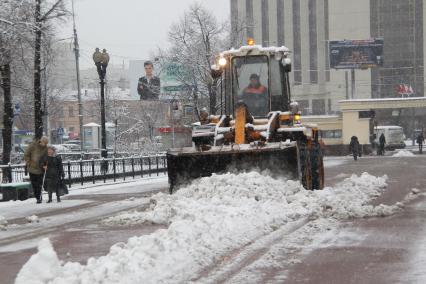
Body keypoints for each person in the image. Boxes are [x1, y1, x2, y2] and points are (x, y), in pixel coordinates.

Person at [24, 136, 48, 204]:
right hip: (32, 169)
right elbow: (26, 154)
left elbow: (46, 157)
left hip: (40, 168)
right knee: (35, 184)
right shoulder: (33, 145)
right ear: (41, 141)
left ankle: (39, 197)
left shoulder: (45, 148)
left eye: (46, 143)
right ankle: (37, 197)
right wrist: (29, 162)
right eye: (44, 143)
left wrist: (46, 164)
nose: (44, 145)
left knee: (40, 184)